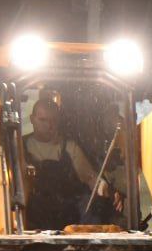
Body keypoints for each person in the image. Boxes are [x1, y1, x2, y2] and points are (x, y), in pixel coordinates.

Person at [23, 97, 99, 230]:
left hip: (66, 221)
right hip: (30, 221)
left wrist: (101, 185)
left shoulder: (70, 148)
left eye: (53, 120)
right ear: (32, 119)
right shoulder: (18, 147)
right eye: (43, 120)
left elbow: (90, 178)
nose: (49, 125)